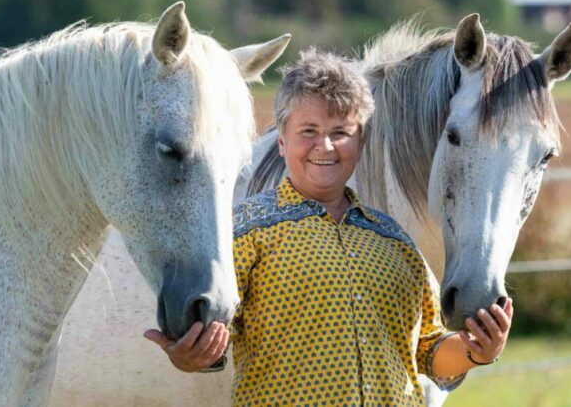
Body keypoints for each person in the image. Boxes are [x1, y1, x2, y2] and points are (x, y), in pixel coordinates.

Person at [144, 49, 514, 405]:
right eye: (308, 130)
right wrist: (188, 356)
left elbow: (429, 351)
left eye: (341, 132)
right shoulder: (243, 233)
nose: (325, 146)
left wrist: (477, 350)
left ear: (361, 142)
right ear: (282, 141)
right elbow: (212, 340)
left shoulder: (394, 241)